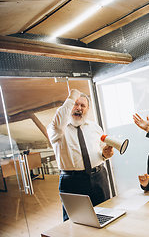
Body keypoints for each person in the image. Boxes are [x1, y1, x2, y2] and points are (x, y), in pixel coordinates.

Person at [47, 89, 114, 221]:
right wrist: (72, 97)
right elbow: (59, 122)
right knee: (75, 221)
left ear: (88, 109)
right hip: (72, 181)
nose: (78, 108)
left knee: (105, 214)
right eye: (75, 104)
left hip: (99, 177)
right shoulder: (57, 128)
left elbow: (101, 151)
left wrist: (105, 154)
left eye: (82, 105)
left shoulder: (95, 127)